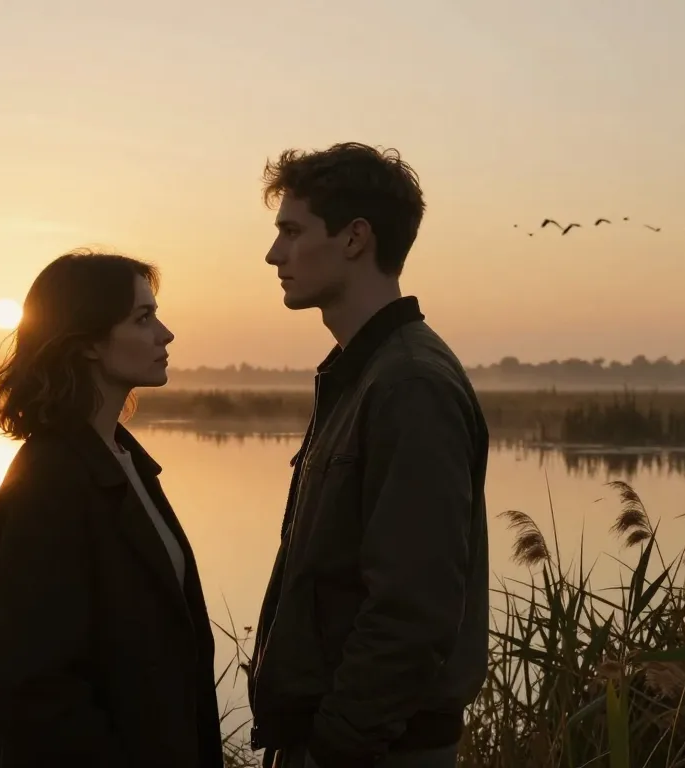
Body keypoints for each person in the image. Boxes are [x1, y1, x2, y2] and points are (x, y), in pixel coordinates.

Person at [246, 143, 490, 768]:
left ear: (355, 238)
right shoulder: (364, 374)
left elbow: (414, 606)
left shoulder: (409, 383)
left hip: (378, 751)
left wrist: (336, 745)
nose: (274, 254)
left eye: (292, 231)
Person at [0, 249, 224, 768]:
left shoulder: (124, 461)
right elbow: (31, 688)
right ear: (87, 341)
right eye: (143, 318)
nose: (166, 334)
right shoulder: (48, 483)